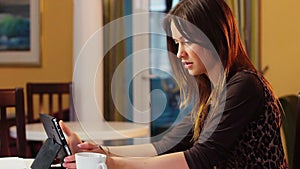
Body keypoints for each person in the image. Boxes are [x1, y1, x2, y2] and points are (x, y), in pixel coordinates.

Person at [61, 0, 288, 168]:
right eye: (177, 43)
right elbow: (167, 144)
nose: (179, 54)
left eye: (186, 42)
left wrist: (109, 164)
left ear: (214, 36)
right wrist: (100, 152)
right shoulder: (209, 91)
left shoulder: (245, 85)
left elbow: (201, 157)